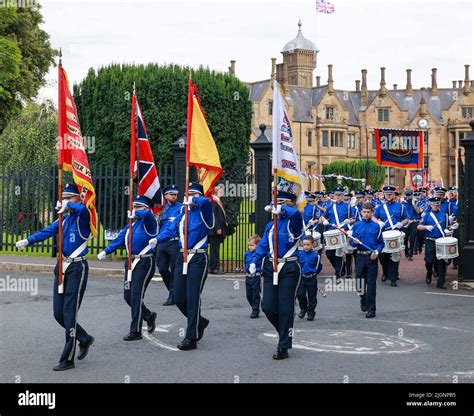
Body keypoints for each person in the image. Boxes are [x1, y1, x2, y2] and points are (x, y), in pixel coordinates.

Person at [15, 183, 94, 371]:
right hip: (62, 266)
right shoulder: (64, 220)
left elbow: (82, 209)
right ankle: (84, 338)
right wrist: (28, 240)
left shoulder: (83, 217)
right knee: (59, 314)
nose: (66, 200)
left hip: (77, 267)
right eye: (64, 197)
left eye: (70, 197)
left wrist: (69, 205)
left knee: (69, 313)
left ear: (78, 198)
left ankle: (68, 358)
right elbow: (47, 232)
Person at [150, 182, 213, 350]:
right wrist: (158, 239)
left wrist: (195, 200)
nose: (191, 196)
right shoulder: (183, 214)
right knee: (178, 297)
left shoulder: (204, 212)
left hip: (198, 258)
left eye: (195, 193)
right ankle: (200, 321)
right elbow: (171, 229)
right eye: (189, 193)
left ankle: (191, 337)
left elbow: (206, 202)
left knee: (192, 297)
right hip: (181, 257)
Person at [249, 190, 303, 360]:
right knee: (268, 307)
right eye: (274, 203)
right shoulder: (270, 224)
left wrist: (283, 210)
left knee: (285, 307)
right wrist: (254, 260)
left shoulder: (293, 220)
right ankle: (284, 333)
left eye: (279, 203)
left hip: (289, 267)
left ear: (286, 204)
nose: (274, 206)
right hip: (271, 267)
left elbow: (296, 215)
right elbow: (264, 245)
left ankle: (283, 345)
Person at [98, 195, 158, 341]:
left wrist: (138, 212)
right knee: (128, 296)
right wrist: (106, 251)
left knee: (136, 296)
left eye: (138, 206)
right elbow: (119, 239)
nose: (134, 209)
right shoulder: (132, 224)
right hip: (130, 263)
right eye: (134, 206)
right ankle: (148, 316)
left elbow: (148, 215)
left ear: (146, 208)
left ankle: (135, 331)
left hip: (144, 262)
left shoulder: (150, 222)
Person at [351, 202, 384, 318]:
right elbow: (351, 241)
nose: (366, 214)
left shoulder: (376, 226)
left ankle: (371, 310)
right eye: (364, 212)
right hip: (359, 257)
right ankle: (362, 298)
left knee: (371, 285)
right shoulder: (356, 225)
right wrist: (353, 242)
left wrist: (377, 251)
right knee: (359, 284)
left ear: (372, 213)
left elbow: (381, 243)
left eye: (368, 212)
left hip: (371, 258)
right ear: (361, 212)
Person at [417, 197, 457, 289]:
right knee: (429, 261)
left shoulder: (445, 215)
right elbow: (419, 227)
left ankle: (440, 283)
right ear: (430, 205)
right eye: (434, 204)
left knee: (441, 262)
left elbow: (447, 227)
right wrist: (426, 227)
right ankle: (429, 272)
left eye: (437, 204)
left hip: (441, 241)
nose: (435, 206)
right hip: (430, 240)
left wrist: (452, 227)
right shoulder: (426, 215)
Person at [374, 185, 408, 287]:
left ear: (394, 194)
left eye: (390, 194)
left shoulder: (400, 206)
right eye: (387, 194)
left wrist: (402, 223)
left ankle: (393, 278)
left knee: (395, 255)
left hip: (396, 234)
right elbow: (374, 217)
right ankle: (385, 272)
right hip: (384, 235)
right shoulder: (380, 207)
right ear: (384, 194)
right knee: (382, 256)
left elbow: (406, 218)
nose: (388, 196)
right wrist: (378, 222)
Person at [156, 185, 182, 306]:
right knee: (162, 268)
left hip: (174, 242)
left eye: (175, 194)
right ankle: (173, 291)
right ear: (166, 196)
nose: (174, 196)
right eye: (172, 194)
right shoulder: (160, 209)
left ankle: (173, 295)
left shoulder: (181, 208)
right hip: (162, 242)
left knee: (175, 269)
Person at [320, 187, 353, 282]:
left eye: (340, 195)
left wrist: (348, 221)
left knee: (339, 254)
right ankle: (340, 268)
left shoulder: (348, 207)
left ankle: (337, 274)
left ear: (343, 196)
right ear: (334, 196)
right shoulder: (330, 206)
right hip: (331, 233)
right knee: (329, 254)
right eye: (336, 195)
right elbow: (322, 216)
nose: (338, 196)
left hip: (342, 232)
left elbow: (353, 219)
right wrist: (325, 220)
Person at [297, 236, 323, 321]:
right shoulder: (300, 255)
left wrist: (313, 274)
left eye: (308, 244)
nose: (305, 246)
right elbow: (298, 266)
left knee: (312, 297)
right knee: (300, 295)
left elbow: (319, 267)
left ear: (313, 244)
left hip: (312, 279)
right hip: (302, 278)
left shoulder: (316, 256)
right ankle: (303, 309)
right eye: (304, 244)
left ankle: (311, 312)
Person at [209, 184, 228, 274]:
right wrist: (217, 228)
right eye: (220, 190)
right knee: (214, 250)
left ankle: (214, 267)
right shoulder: (214, 200)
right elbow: (213, 216)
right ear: (216, 191)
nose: (222, 192)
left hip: (216, 230)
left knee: (215, 249)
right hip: (214, 230)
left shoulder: (217, 200)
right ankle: (213, 268)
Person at [245, 234, 262, 318]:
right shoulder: (247, 254)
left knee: (255, 294)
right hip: (248, 277)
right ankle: (254, 306)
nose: (249, 247)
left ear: (258, 246)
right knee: (249, 295)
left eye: (252, 245)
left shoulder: (259, 255)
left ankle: (255, 310)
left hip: (256, 277)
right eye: (249, 245)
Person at [402, 189, 420, 261]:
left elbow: (418, 212)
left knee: (412, 239)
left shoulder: (416, 202)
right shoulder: (403, 203)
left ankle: (411, 255)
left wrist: (413, 204)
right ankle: (406, 250)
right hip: (406, 223)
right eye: (407, 196)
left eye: (410, 195)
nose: (409, 197)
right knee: (405, 239)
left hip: (414, 222)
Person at [447, 186, 460, 270]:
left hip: (458, 226)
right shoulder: (448, 203)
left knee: (457, 243)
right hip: (448, 226)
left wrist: (457, 220)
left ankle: (456, 262)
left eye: (454, 193)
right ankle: (448, 260)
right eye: (450, 193)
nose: (452, 194)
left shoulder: (460, 203)